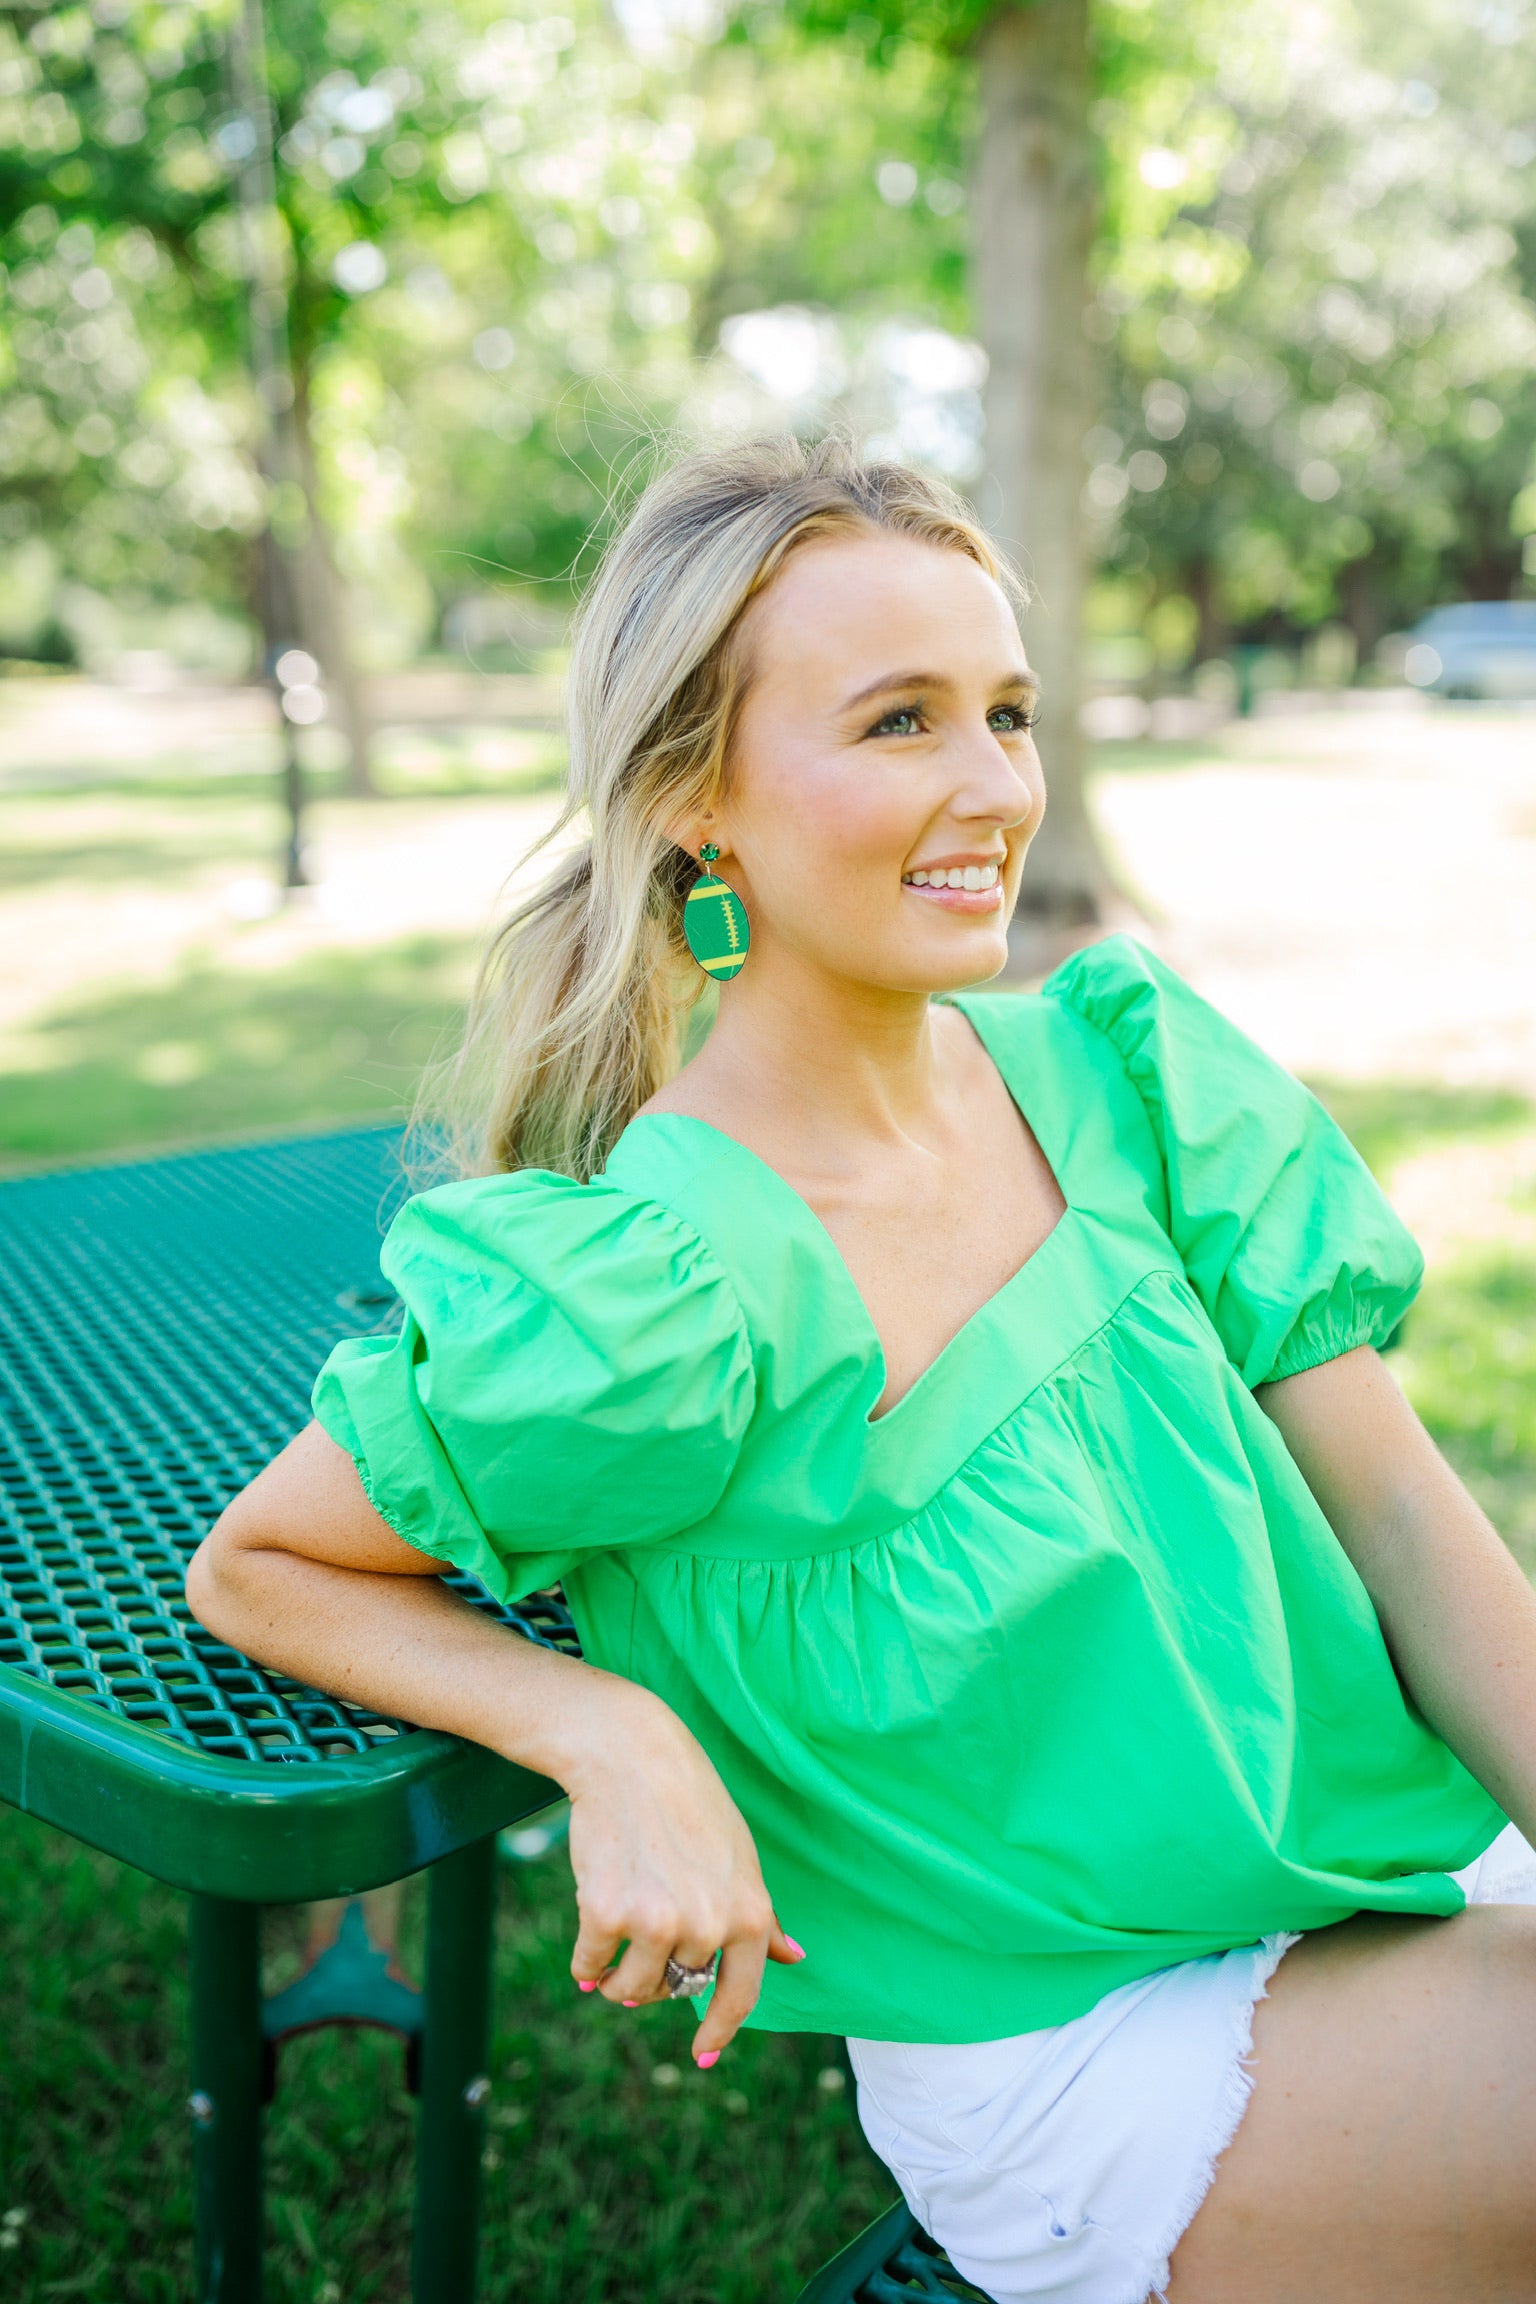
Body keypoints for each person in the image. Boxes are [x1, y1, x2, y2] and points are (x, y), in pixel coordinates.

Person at [187, 437, 1536, 2304]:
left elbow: (1405, 1525)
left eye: (1007, 712)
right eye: (901, 722)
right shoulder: (660, 1291)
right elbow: (260, 1565)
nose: (995, 787)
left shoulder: (1128, 1075)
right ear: (695, 802)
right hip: (1092, 2046)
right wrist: (607, 1732)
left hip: (1377, 1880)